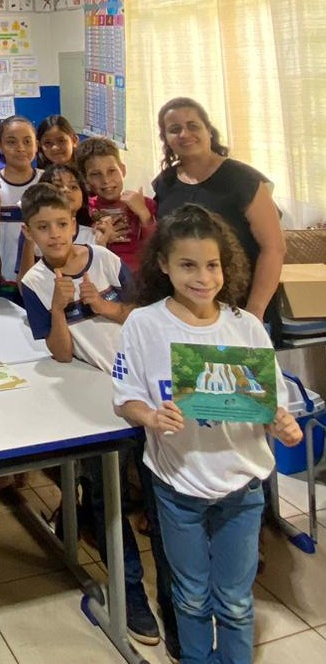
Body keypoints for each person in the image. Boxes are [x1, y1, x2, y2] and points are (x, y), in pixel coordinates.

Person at [113, 204, 302, 663]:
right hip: (178, 486)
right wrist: (151, 418)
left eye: (212, 265)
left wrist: (285, 424)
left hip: (242, 486)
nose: (203, 277)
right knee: (191, 595)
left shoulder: (246, 327)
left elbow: (274, 405)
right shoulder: (145, 324)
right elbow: (125, 398)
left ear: (226, 265)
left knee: (236, 602)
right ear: (163, 264)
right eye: (188, 265)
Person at [18, 183, 166, 652]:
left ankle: (176, 592)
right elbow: (60, 354)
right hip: (96, 401)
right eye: (43, 228)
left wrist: (103, 305)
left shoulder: (106, 260)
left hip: (142, 388)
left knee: (159, 492)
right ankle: (130, 592)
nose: (55, 234)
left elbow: (143, 316)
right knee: (108, 495)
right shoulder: (34, 283)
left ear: (74, 223)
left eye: (62, 224)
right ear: (30, 233)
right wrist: (60, 310)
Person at [153, 97, 285, 321]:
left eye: (193, 125)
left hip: (242, 308)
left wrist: (255, 311)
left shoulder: (244, 180)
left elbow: (274, 248)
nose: (184, 134)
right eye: (175, 129)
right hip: (186, 311)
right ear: (166, 138)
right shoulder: (164, 184)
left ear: (209, 131)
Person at [17, 163, 112, 284]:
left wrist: (102, 244)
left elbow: (103, 282)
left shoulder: (94, 234)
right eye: (57, 186)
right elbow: (23, 286)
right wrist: (29, 243)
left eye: (73, 187)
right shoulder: (33, 235)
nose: (66, 190)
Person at [76, 136, 156, 274]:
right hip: (103, 279)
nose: (106, 180)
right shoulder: (85, 210)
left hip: (141, 280)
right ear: (85, 179)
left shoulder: (144, 204)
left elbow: (158, 248)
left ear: (123, 170)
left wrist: (144, 214)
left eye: (112, 171)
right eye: (96, 174)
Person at [0, 115, 41, 302]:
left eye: (27, 141)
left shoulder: (47, 182)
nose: (21, 148)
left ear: (36, 146)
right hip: (5, 280)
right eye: (11, 142)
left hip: (43, 278)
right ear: (0, 146)